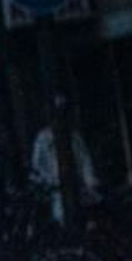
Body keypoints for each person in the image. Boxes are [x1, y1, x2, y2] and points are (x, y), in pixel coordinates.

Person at [30, 94, 99, 223]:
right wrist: (49, 183)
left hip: (78, 190)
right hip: (56, 193)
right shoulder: (42, 139)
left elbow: (86, 162)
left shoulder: (75, 138)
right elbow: (37, 168)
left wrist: (90, 184)